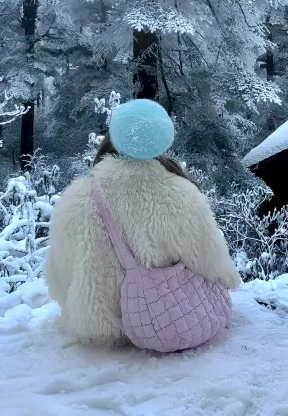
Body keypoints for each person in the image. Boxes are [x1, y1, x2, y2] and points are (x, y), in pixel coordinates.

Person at [45, 99, 240, 347]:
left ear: (113, 137)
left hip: (98, 333)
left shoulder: (77, 196)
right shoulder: (181, 194)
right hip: (164, 320)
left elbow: (60, 272)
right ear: (164, 138)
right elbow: (211, 260)